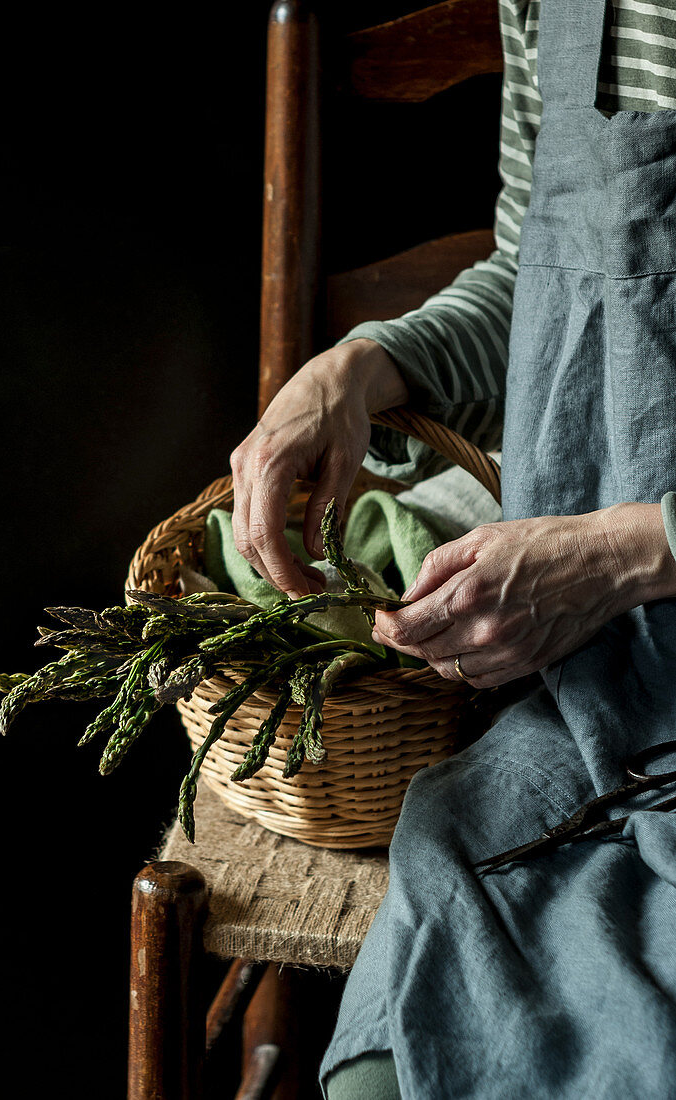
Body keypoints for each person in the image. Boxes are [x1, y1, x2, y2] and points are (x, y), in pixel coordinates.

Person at [230, 0, 676, 1096]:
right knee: (398, 1059)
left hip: (617, 625)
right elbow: (539, 270)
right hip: (596, 698)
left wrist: (629, 550)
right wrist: (359, 367)